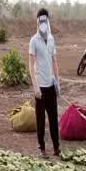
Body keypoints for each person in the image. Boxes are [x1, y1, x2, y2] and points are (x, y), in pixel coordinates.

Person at [29, 8, 60, 157]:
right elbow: (30, 64)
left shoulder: (52, 39)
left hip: (50, 85)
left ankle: (56, 147)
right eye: (40, 20)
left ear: (48, 21)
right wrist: (35, 86)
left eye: (45, 20)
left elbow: (54, 61)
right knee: (41, 120)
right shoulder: (34, 41)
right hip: (40, 87)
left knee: (54, 118)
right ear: (37, 22)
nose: (43, 23)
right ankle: (42, 148)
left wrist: (57, 80)